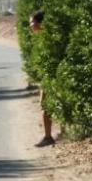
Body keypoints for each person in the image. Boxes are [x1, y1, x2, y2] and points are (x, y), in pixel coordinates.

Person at [29, 11, 56, 147]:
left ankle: (48, 136)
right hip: (49, 76)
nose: (30, 25)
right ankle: (58, 132)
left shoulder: (47, 39)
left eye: (32, 22)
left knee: (45, 105)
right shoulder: (47, 37)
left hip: (51, 76)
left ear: (40, 23)